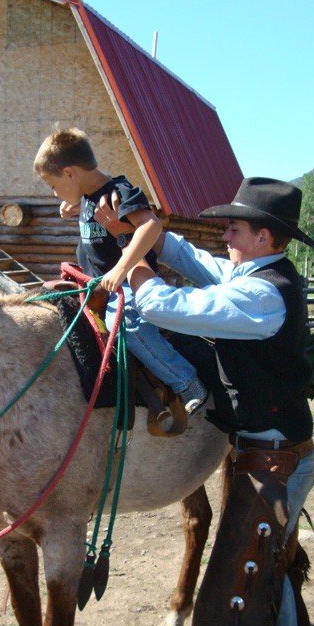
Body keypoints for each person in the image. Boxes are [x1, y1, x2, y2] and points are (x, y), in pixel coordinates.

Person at [96, 176, 314, 626]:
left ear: (265, 238)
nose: (226, 237)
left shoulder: (262, 295)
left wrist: (132, 263)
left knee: (249, 582)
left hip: (275, 461)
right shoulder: (255, 274)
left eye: (235, 229)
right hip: (269, 453)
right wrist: (139, 228)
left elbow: (165, 306)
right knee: (266, 576)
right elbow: (193, 258)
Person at [33, 126, 207, 419]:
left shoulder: (120, 192)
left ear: (70, 173)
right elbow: (88, 209)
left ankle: (185, 380)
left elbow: (151, 225)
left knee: (128, 326)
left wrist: (121, 268)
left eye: (53, 185)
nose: (54, 192)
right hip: (94, 280)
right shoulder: (87, 194)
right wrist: (73, 205)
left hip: (127, 283)